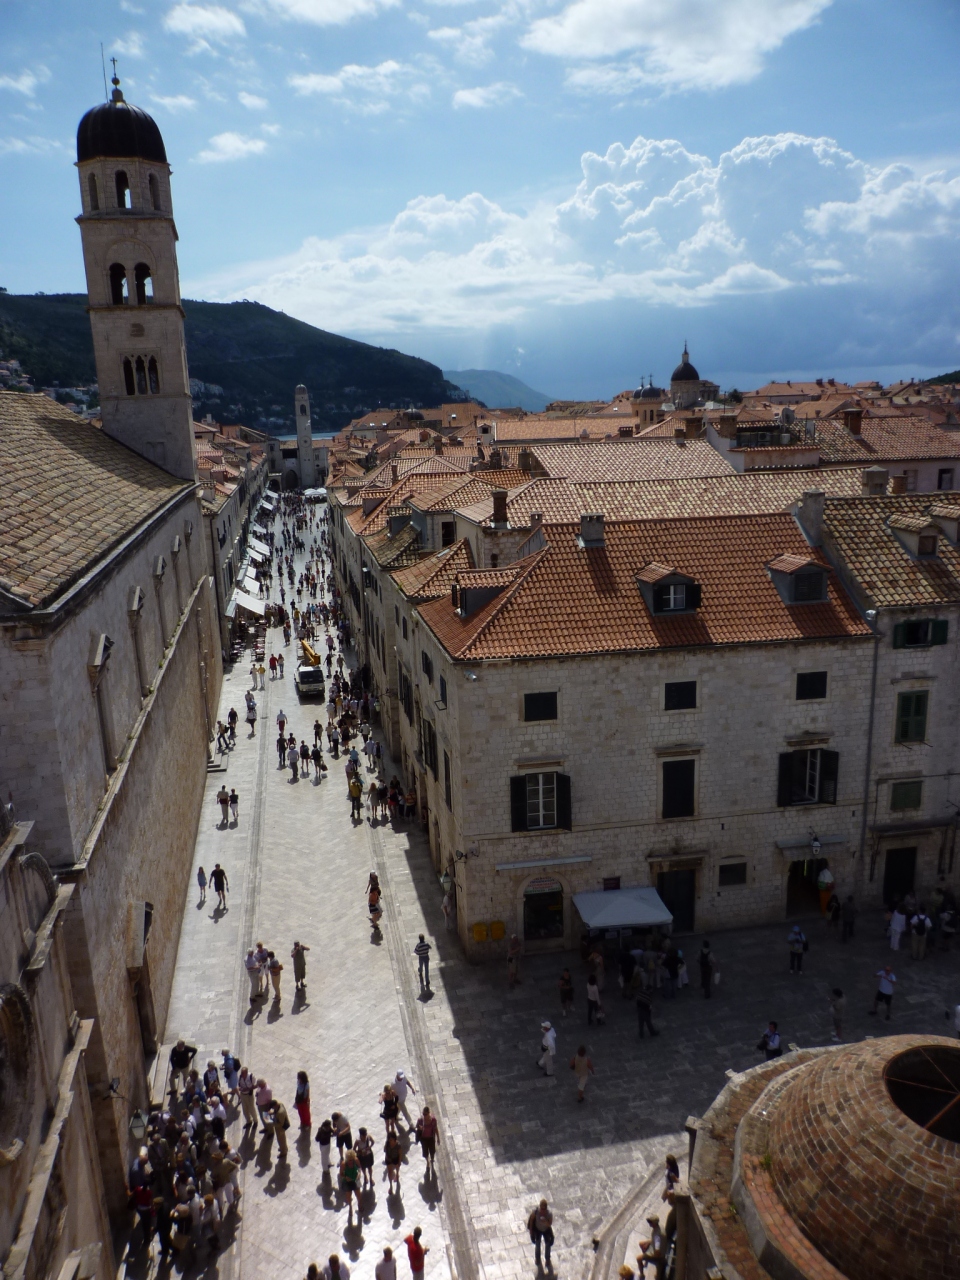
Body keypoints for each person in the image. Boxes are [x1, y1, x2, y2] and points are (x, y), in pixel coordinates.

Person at [527, 1200, 554, 1272]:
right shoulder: (536, 1212)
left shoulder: (549, 1214)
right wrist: (531, 1230)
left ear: (546, 1208)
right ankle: (537, 1258)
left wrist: (545, 1222)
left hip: (546, 1230)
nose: (542, 1210)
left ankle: (547, 1259)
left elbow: (550, 1224)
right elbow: (531, 1220)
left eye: (544, 1209)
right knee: (537, 1244)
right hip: (538, 1230)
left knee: (547, 1244)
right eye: (541, 1208)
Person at [638, 1214, 665, 1280]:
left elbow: (657, 1251)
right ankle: (645, 1257)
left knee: (638, 1258)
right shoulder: (659, 1227)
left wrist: (649, 1255)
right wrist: (648, 1243)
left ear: (654, 1223)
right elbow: (655, 1239)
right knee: (641, 1243)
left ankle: (641, 1274)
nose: (649, 1223)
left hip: (657, 1254)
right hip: (654, 1246)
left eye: (650, 1222)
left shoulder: (657, 1236)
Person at [417, 1106, 439, 1177]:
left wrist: (438, 1138)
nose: (424, 1116)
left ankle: (432, 1158)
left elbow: (435, 1129)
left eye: (425, 1114)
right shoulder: (420, 1120)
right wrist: (419, 1128)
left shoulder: (433, 1120)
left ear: (429, 1113)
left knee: (432, 1151)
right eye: (423, 1114)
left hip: (431, 1138)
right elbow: (417, 1126)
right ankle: (428, 1162)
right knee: (425, 1152)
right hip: (423, 1139)